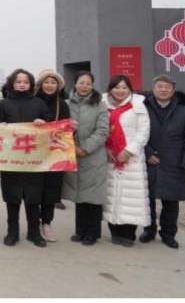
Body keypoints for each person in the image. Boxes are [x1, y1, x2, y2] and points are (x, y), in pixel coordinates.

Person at [140, 74, 185, 249]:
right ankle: (148, 230)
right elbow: (134, 132)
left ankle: (168, 233)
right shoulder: (144, 107)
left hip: (174, 162)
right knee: (147, 198)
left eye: (167, 87)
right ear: (153, 89)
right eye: (159, 86)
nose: (163, 90)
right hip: (148, 161)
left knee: (171, 201)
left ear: (173, 90)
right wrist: (146, 152)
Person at [0, 69, 51, 247]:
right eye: (18, 81)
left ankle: (34, 233)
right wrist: (0, 126)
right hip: (11, 158)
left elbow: (51, 127)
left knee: (33, 198)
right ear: (12, 83)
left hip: (34, 159)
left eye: (26, 82)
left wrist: (42, 123)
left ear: (31, 85)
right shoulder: (3, 104)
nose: (22, 84)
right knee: (12, 198)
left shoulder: (40, 104)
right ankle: (12, 232)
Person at [102, 75, 151, 247]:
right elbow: (102, 130)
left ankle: (129, 234)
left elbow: (143, 131)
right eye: (116, 87)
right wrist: (106, 148)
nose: (120, 91)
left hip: (132, 158)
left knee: (130, 198)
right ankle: (114, 230)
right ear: (111, 89)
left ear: (129, 89)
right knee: (112, 194)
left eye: (124, 87)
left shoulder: (137, 106)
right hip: (110, 157)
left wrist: (129, 151)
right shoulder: (104, 105)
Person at [61, 71, 109, 246]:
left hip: (93, 156)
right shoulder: (66, 104)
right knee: (79, 195)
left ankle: (92, 233)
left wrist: (86, 148)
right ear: (75, 84)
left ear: (92, 86)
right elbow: (61, 128)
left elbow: (103, 130)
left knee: (93, 197)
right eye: (81, 83)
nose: (84, 86)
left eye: (88, 83)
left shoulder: (100, 105)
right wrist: (73, 146)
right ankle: (80, 231)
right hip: (73, 154)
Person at [34, 69, 71, 243]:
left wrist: (72, 128)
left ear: (58, 86)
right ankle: (34, 224)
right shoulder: (32, 102)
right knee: (34, 190)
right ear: (40, 84)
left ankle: (47, 223)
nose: (49, 85)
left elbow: (67, 133)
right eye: (46, 82)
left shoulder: (62, 105)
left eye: (53, 82)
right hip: (34, 154)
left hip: (54, 155)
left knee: (51, 191)